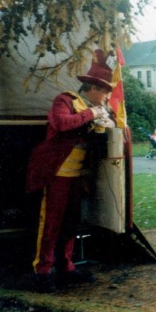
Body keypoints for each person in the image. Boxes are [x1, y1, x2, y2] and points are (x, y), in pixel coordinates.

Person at [25, 49, 116, 293]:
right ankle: (42, 271)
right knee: (51, 224)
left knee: (71, 224)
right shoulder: (64, 100)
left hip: (76, 177)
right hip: (55, 175)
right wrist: (91, 114)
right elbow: (62, 124)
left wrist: (109, 124)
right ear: (95, 89)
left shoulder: (98, 109)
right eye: (107, 94)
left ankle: (66, 267)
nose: (108, 99)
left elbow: (107, 133)